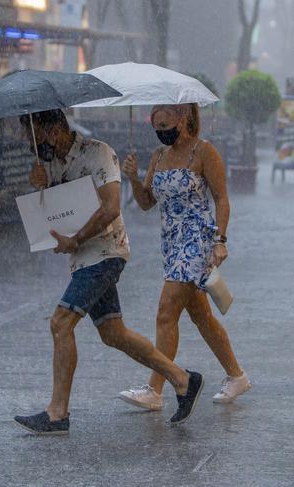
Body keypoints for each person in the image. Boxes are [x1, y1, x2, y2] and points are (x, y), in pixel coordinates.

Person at [13, 109, 204, 435]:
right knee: (113, 332)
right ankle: (183, 379)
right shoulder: (50, 163)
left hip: (105, 253)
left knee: (60, 323)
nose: (30, 143)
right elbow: (56, 215)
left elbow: (112, 207)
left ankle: (58, 414)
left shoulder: (98, 153)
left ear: (56, 127)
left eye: (35, 135)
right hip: (82, 258)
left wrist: (76, 240)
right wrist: (40, 188)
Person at [119, 103, 251, 411]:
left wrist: (220, 240)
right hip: (171, 241)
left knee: (166, 311)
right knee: (201, 316)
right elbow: (146, 203)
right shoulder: (158, 156)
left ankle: (156, 388)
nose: (162, 133)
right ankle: (237, 375)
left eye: (166, 126)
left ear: (184, 119)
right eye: (157, 128)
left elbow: (221, 198)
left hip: (197, 240)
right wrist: (134, 179)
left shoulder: (204, 152)